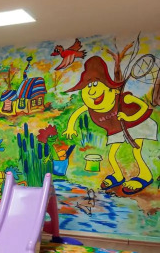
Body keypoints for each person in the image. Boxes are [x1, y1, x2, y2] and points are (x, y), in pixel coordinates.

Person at [63, 56, 156, 195]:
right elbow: (77, 113)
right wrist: (70, 127)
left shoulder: (122, 98)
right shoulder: (91, 107)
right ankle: (118, 175)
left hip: (137, 124)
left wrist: (129, 117)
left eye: (95, 84)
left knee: (137, 151)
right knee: (112, 155)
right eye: (88, 86)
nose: (92, 91)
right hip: (117, 129)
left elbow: (144, 107)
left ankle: (145, 176)